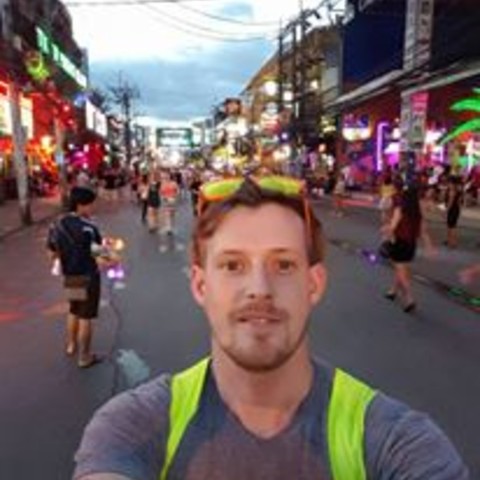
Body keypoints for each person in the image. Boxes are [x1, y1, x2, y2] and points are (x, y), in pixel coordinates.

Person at [73, 176, 468, 479]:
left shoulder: (396, 442)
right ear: (200, 285)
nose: (259, 289)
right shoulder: (133, 426)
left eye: (283, 265)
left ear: (314, 284)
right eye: (233, 265)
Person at [46, 187, 105, 369]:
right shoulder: (89, 228)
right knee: (86, 317)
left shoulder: (58, 224)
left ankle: (71, 345)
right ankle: (84, 357)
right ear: (81, 205)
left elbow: (51, 253)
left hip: (71, 275)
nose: (93, 207)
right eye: (91, 204)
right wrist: (109, 252)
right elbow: (99, 254)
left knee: (74, 310)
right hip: (88, 276)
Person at [381, 180, 434, 312]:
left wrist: (386, 231)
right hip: (411, 244)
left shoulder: (400, 208)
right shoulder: (417, 211)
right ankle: (393, 291)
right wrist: (428, 246)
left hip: (399, 241)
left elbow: (393, 225)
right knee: (402, 269)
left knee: (401, 269)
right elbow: (423, 231)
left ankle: (409, 298)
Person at [444, 176, 464, 249]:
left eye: (449, 183)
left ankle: (451, 242)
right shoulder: (459, 190)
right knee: (453, 226)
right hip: (456, 209)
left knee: (450, 226)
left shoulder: (452, 191)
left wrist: (446, 210)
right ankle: (451, 241)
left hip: (452, 210)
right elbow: (459, 202)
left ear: (452, 183)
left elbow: (450, 202)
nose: (448, 184)